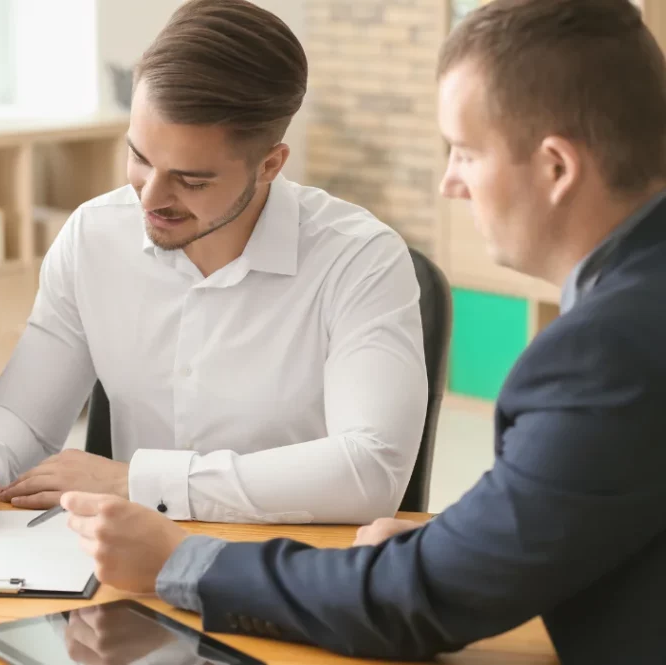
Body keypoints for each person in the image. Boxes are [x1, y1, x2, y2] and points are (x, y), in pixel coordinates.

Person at [58, 0, 666, 662]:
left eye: (464, 151)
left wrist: (183, 559)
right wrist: (425, 555)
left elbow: (425, 599)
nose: (449, 183)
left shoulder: (608, 352)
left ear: (556, 167)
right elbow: (530, 520)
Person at [0, 0, 427, 526]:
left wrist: (137, 483)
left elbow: (371, 471)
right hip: (126, 563)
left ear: (270, 164)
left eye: (191, 180)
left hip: (293, 568)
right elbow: (26, 414)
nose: (150, 198)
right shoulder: (93, 237)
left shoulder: (362, 259)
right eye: (139, 157)